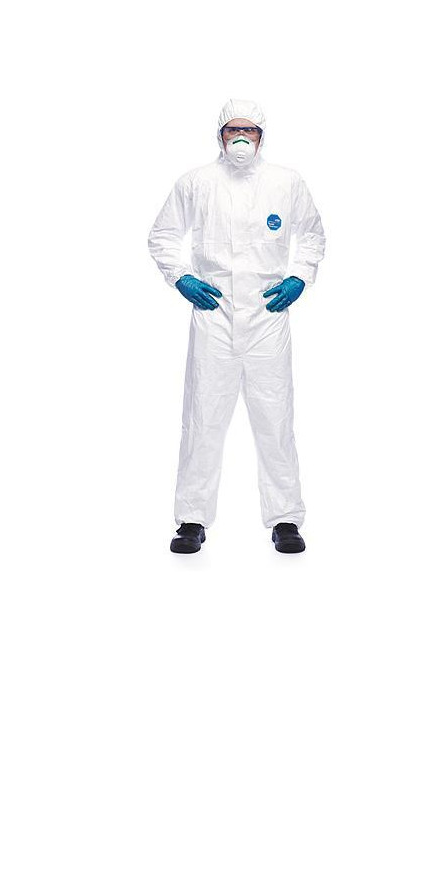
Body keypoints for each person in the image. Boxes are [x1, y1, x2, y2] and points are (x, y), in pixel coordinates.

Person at [148, 98, 326, 554]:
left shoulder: (286, 182)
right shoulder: (196, 183)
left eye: (249, 131)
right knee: (202, 418)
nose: (241, 138)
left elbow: (311, 235)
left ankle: (286, 518)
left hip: (268, 315)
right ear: (220, 135)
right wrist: (181, 277)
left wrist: (299, 276)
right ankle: (191, 519)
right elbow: (163, 235)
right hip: (215, 315)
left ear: (262, 138)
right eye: (233, 130)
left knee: (275, 419)